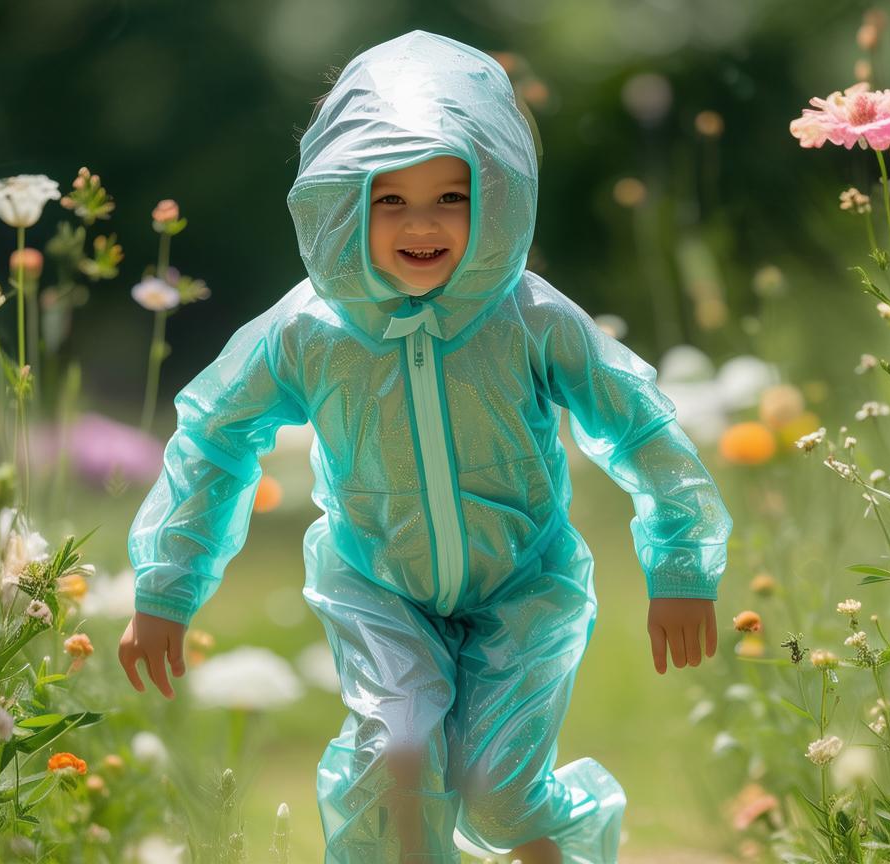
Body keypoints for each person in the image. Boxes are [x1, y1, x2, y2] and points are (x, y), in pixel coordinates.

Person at [118, 29, 732, 864]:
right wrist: (167, 586)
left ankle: (557, 843)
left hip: (524, 583)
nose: (422, 224)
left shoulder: (530, 318)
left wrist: (683, 565)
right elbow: (215, 439)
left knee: (502, 797)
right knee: (396, 763)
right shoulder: (308, 330)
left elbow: (639, 424)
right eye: (388, 200)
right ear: (342, 203)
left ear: (497, 198)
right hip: (379, 586)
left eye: (452, 197)